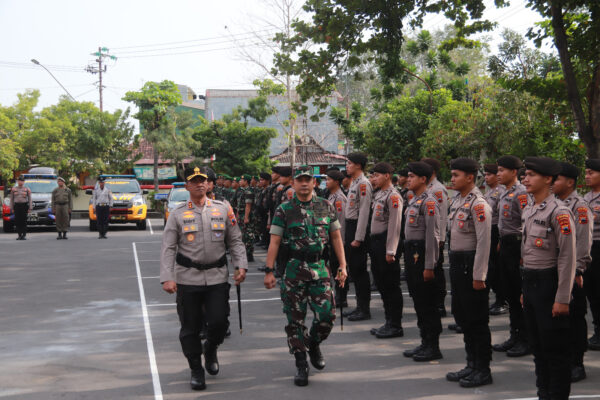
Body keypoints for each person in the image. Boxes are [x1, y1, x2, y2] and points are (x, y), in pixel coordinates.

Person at [160, 165, 247, 391]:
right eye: (195, 180)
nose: (200, 183)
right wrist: (167, 277)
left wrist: (241, 265)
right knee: (190, 328)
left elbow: (235, 240)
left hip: (217, 277)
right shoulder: (178, 214)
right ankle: (196, 369)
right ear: (187, 185)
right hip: (187, 279)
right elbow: (168, 248)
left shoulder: (223, 209)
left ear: (208, 183)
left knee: (219, 323)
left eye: (204, 180)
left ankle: (210, 349)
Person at [264, 166, 347, 387]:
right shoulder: (285, 209)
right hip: (294, 271)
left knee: (327, 317)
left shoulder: (324, 206)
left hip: (320, 269)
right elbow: (274, 241)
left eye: (308, 180)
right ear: (293, 183)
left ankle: (314, 343)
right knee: (295, 321)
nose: (304, 183)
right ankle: (301, 363)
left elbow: (336, 237)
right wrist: (269, 270)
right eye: (299, 180)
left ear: (314, 183)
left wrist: (343, 265)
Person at [521, 157, 576, 399]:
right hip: (531, 283)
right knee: (537, 347)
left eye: (531, 174)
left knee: (555, 350)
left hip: (549, 284)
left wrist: (562, 298)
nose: (525, 179)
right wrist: (525, 290)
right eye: (525, 174)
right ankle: (544, 393)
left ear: (548, 179)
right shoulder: (529, 209)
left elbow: (567, 258)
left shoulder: (560, 212)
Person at [446, 158, 493, 388]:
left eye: (456, 175)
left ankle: (483, 369)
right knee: (462, 316)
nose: (452, 179)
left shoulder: (478, 204)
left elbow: (484, 243)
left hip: (470, 265)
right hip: (457, 263)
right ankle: (471, 363)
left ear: (470, 177)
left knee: (477, 319)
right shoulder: (457, 201)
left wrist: (479, 275)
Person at [554, 162, 592, 382]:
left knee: (575, 318)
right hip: (555, 269)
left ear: (570, 182)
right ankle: (563, 359)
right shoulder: (553, 205)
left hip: (573, 272)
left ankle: (577, 363)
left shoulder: (579, 207)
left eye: (557, 179)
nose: (552, 183)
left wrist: (578, 269)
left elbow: (584, 243)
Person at [402, 161, 443, 361]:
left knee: (427, 303)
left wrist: (429, 266)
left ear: (423, 179)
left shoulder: (429, 202)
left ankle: (433, 345)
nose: (408, 179)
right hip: (412, 254)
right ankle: (424, 342)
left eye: (411, 176)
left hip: (422, 256)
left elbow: (432, 236)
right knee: (418, 301)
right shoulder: (414, 200)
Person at [493, 155, 531, 357]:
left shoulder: (521, 193)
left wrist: (524, 253)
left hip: (517, 246)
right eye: (497, 170)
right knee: (509, 292)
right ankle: (514, 335)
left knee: (519, 294)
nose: (498, 174)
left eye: (501, 170)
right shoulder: (503, 192)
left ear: (514, 172)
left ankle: (525, 339)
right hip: (506, 245)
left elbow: (526, 225)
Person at [368, 162, 404, 338]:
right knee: (381, 284)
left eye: (376, 175)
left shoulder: (393, 196)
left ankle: (395, 325)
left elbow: (395, 225)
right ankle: (388, 321)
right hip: (376, 243)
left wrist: (391, 250)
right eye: (373, 176)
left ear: (387, 176)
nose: (373, 179)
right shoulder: (379, 194)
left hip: (385, 243)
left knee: (391, 286)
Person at [343, 152, 373, 321]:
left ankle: (364, 309)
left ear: (359, 166)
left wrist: (359, 237)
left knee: (360, 271)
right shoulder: (354, 182)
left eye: (349, 163)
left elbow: (364, 212)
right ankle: (359, 306)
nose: (347, 166)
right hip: (351, 227)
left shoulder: (363, 184)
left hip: (357, 229)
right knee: (354, 269)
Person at [422, 158, 449, 317]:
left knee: (437, 272)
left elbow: (442, 216)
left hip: (436, 236)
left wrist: (440, 239)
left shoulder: (438, 189)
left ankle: (440, 304)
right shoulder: (427, 188)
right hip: (427, 236)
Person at [483, 164, 507, 315]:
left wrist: (499, 240)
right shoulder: (488, 192)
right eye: (485, 174)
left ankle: (502, 301)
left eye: (489, 174)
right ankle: (498, 299)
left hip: (496, 231)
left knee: (498, 269)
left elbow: (503, 217)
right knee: (491, 268)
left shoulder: (501, 192)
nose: (486, 177)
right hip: (488, 231)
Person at [584, 159, 600, 351]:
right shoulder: (586, 198)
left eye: (591, 173)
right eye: (586, 173)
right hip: (588, 249)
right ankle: (598, 330)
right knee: (593, 293)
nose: (587, 176)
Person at [326, 169, 348, 307]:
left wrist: (340, 242)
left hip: (337, 241)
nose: (326, 182)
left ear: (336, 182)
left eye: (328, 179)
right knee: (333, 268)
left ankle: (342, 297)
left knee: (339, 269)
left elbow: (340, 224)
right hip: (328, 240)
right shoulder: (330, 196)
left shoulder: (340, 199)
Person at [9, 175, 32, 240]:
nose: (20, 182)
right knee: (18, 221)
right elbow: (11, 199)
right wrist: (12, 208)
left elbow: (30, 199)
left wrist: (30, 208)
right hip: (16, 206)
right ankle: (19, 235)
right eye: (19, 181)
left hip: (24, 206)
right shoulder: (14, 189)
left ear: (24, 182)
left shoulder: (27, 189)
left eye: (22, 181)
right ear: (17, 181)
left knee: (24, 221)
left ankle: (24, 235)